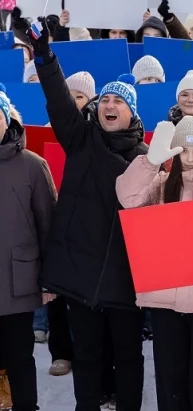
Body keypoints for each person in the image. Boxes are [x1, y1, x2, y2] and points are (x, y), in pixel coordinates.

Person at [28, 18, 149, 411]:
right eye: (106, 101)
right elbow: (60, 101)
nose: (110, 106)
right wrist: (45, 55)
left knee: (128, 357)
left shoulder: (147, 160)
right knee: (88, 356)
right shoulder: (81, 139)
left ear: (133, 114)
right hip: (81, 275)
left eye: (120, 102)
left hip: (125, 279)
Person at [116, 117, 193, 410]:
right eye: (182, 151)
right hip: (165, 303)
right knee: (170, 383)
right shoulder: (159, 186)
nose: (188, 158)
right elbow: (127, 197)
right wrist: (150, 161)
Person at [0, 85, 57, 411]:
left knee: (20, 355)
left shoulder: (33, 166)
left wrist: (49, 279)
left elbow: (48, 225)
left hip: (17, 279)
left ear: (7, 119)